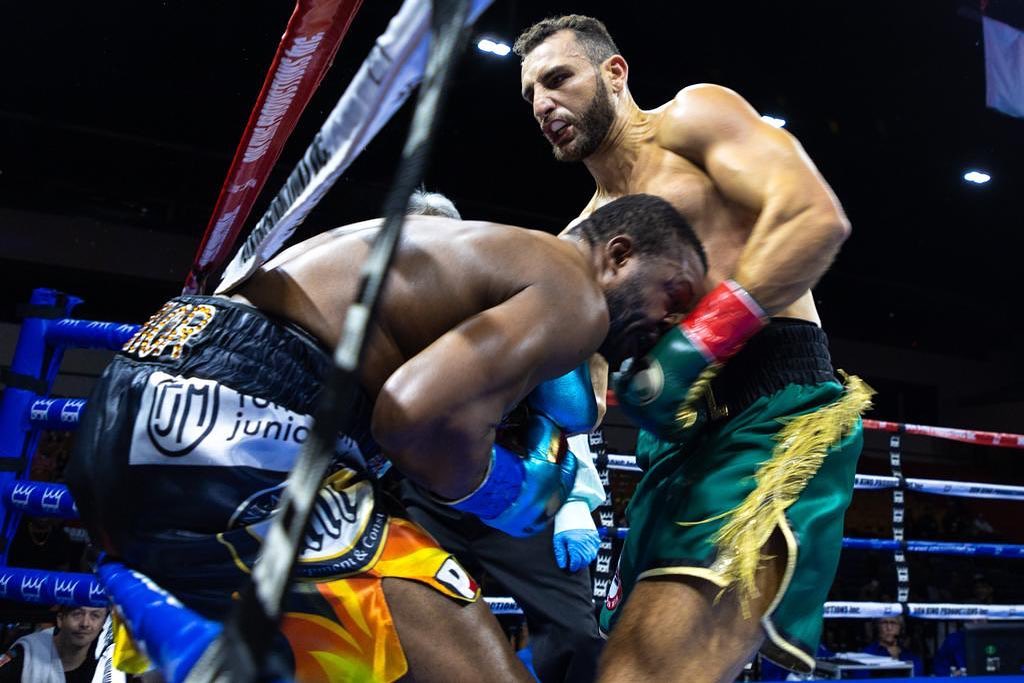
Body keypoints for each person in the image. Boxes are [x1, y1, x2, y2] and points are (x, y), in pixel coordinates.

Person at [66, 193, 707, 683]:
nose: (676, 324)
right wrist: (505, 494)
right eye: (673, 294)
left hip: (143, 398)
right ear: (618, 255)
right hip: (240, 423)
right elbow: (409, 417)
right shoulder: (571, 286)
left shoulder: (477, 259)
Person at [514, 15, 871, 681]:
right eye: (530, 92)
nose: (542, 104)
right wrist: (539, 434)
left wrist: (697, 342)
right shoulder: (577, 242)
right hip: (667, 458)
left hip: (774, 413)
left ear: (614, 73)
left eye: (557, 78)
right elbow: (583, 400)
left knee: (640, 672)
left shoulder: (692, 121)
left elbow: (814, 217)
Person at [398, 189, 605, 682]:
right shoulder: (383, 311)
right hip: (422, 495)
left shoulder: (507, 298)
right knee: (401, 624)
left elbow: (563, 406)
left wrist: (575, 500)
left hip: (517, 478)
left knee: (575, 632)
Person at [0, 605, 106, 682]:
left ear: (103, 623)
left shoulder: (106, 662)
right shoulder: (26, 652)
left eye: (95, 616)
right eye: (77, 614)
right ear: (60, 619)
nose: (85, 623)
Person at [858, 617, 923, 677]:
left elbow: (916, 677)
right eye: (884, 623)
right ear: (877, 626)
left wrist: (897, 660)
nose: (889, 628)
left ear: (900, 628)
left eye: (893, 623)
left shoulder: (910, 655)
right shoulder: (866, 654)